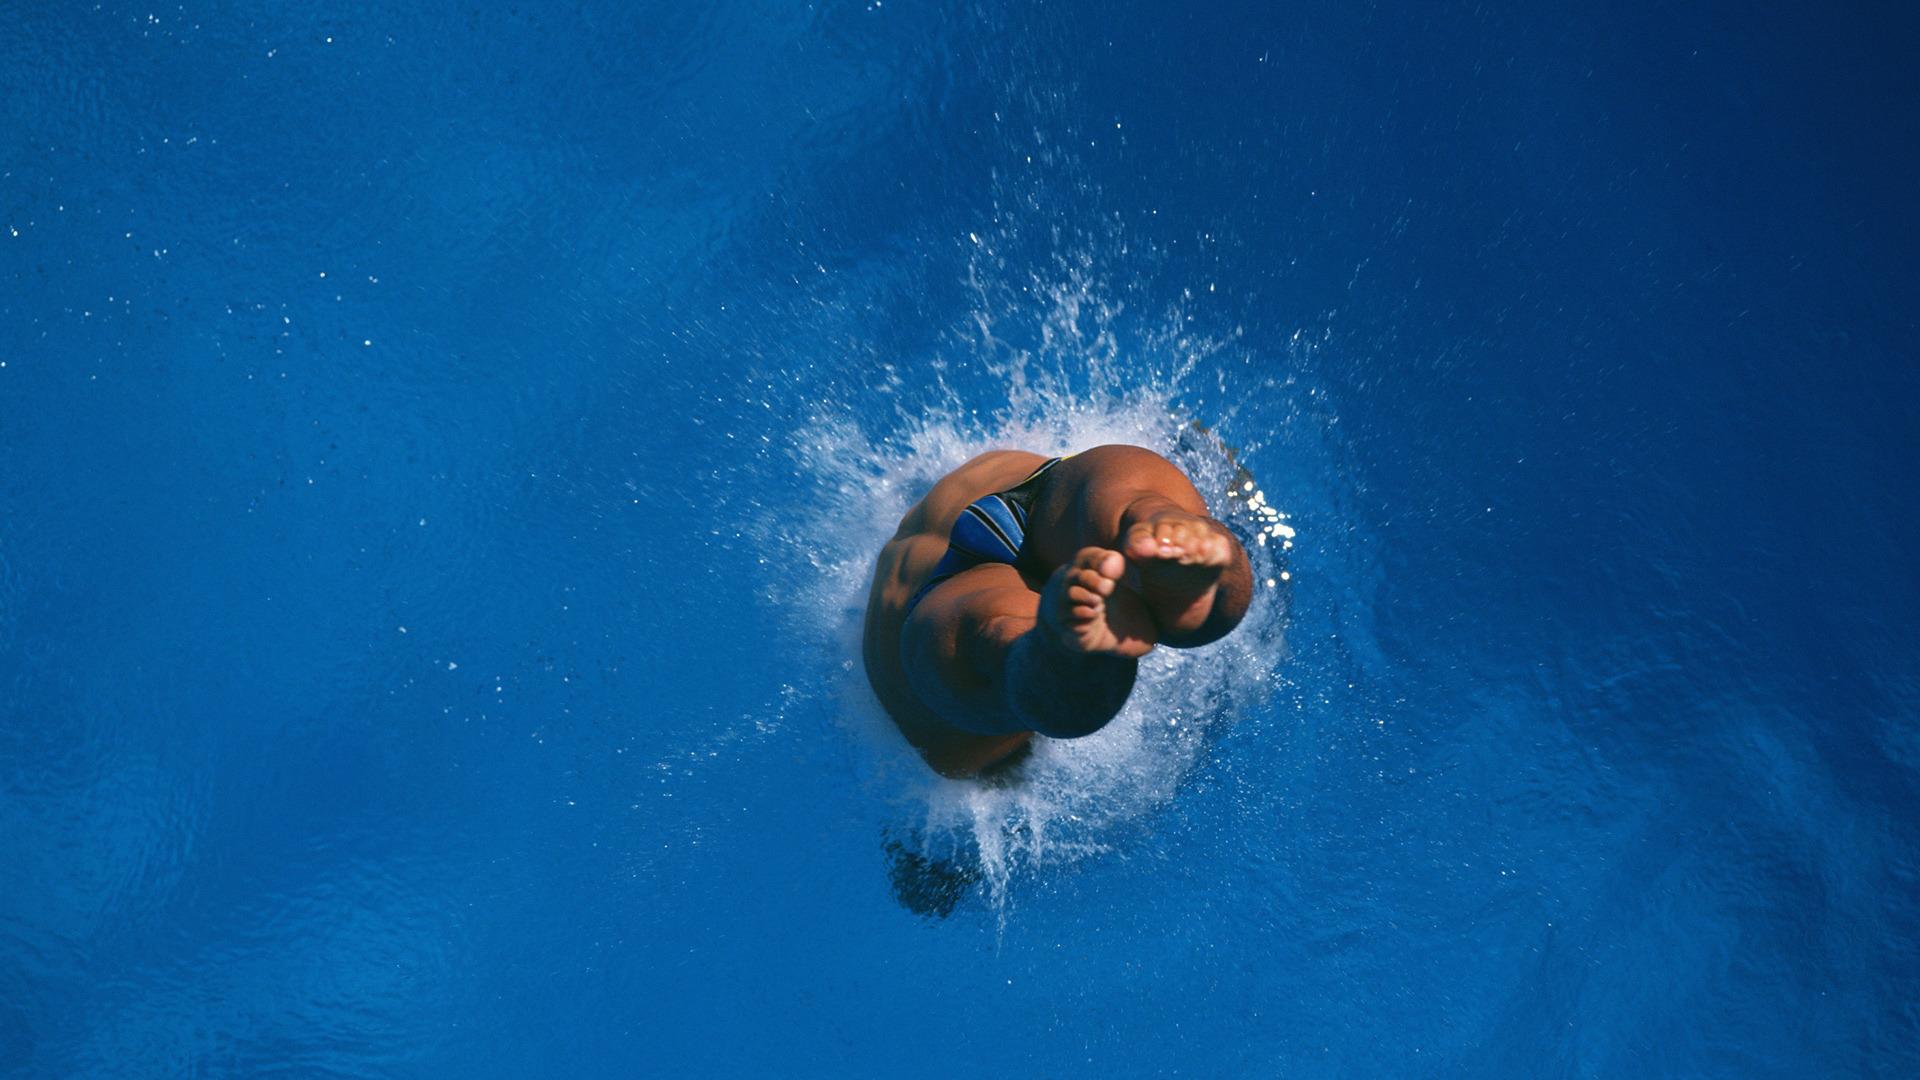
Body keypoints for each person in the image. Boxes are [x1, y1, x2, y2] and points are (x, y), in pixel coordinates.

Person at [862, 444, 1254, 778]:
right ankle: (1166, 533)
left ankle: (1067, 648)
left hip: (990, 506)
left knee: (995, 644)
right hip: (1031, 492)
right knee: (1126, 500)